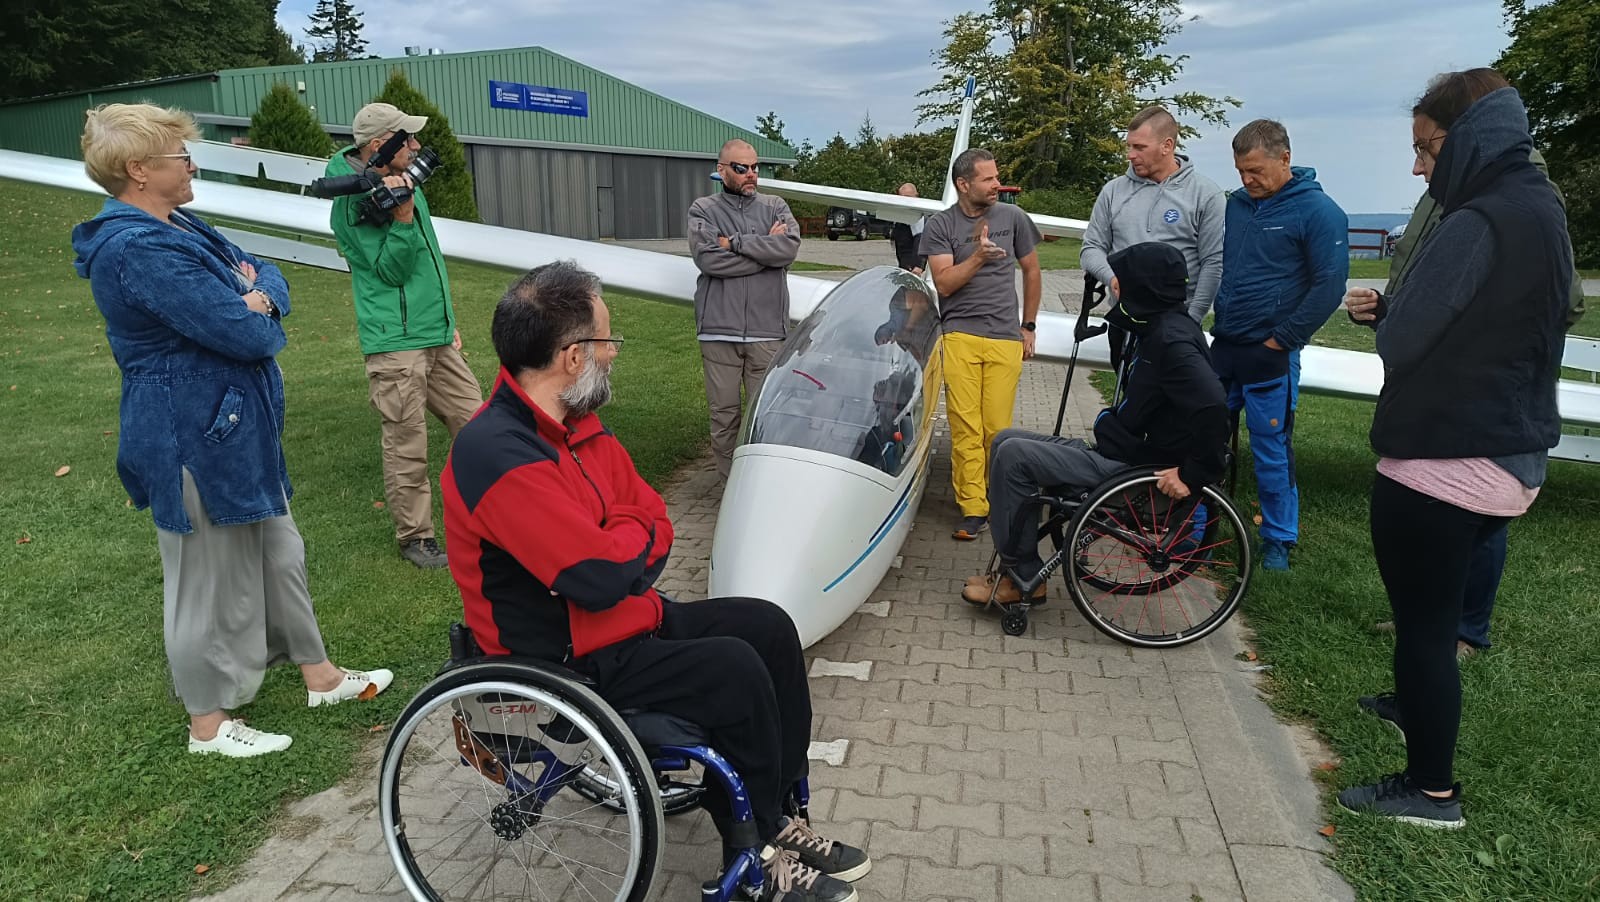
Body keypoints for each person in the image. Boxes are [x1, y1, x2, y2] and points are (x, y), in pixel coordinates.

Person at [440, 261, 870, 901]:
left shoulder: (575, 423)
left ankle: (778, 814)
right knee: (732, 670)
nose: (614, 353)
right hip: (563, 655)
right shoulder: (494, 452)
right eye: (607, 341)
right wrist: (625, 541)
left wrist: (621, 541)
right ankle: (755, 858)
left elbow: (651, 517)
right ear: (573, 357)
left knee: (769, 627)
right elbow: (597, 575)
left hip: (624, 618)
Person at [72, 103, 392, 758]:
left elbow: (264, 274)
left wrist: (257, 294)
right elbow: (244, 334)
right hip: (187, 434)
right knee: (202, 581)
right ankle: (208, 724)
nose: (192, 165)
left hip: (234, 427)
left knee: (280, 553)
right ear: (138, 170)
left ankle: (320, 676)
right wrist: (246, 304)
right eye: (180, 157)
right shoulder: (136, 248)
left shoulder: (180, 224)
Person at [1338, 70, 1571, 828]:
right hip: (1513, 447)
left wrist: (1390, 313)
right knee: (1431, 625)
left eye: (1427, 149)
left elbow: (1404, 338)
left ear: (1469, 138)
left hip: (1448, 454)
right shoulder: (1541, 204)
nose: (1418, 168)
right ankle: (1414, 704)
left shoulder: (1476, 220)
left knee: (1426, 630)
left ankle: (1431, 792)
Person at [1370, 138, 1588, 658]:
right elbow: (1427, 284)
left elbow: (1565, 301)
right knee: (1437, 535)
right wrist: (1392, 309)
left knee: (1477, 512)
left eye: (1425, 150)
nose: (1417, 168)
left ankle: (1466, 628)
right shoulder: (1453, 195)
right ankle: (1426, 622)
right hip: (1433, 391)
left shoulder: (1518, 200)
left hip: (1488, 409)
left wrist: (1476, 339)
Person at [962, 243, 1228, 603]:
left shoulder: (1173, 342)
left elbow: (1214, 405)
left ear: (1145, 286)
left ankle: (1022, 578)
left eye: (1123, 280)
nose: (1116, 286)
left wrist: (1192, 475)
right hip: (1124, 453)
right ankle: (1015, 567)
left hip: (1138, 472)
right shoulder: (1161, 328)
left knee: (1014, 458)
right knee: (1004, 440)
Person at [326, 102, 483, 569]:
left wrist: (447, 322)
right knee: (407, 444)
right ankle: (416, 538)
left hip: (435, 334)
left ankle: (490, 516)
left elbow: (428, 264)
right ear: (380, 145)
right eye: (407, 138)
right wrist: (401, 219)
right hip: (396, 344)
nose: (416, 145)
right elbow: (392, 272)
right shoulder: (350, 206)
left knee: (478, 425)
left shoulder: (400, 181)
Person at [1210, 120, 1349, 571]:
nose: (1246, 180)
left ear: (1285, 158)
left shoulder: (1319, 211)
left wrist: (1281, 341)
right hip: (1226, 344)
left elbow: (1330, 286)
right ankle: (1195, 526)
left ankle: (1278, 541)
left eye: (1255, 170)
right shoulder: (1237, 205)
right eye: (1240, 171)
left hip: (1271, 352)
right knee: (1203, 436)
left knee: (1270, 449)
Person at [921, 148, 1044, 541]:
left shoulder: (1013, 217)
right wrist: (977, 257)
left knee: (997, 429)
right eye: (988, 179)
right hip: (959, 334)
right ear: (963, 184)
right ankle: (973, 508)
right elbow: (943, 284)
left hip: (1005, 336)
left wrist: (1029, 326)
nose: (997, 185)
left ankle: (999, 496)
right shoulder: (940, 225)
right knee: (965, 427)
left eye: (996, 177)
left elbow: (1032, 270)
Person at [688, 139, 802, 480]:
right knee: (724, 416)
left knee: (764, 416)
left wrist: (735, 243)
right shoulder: (703, 209)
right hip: (718, 331)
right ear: (722, 170)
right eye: (741, 168)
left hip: (767, 331)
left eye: (755, 167)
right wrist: (765, 255)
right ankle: (730, 485)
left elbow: (788, 249)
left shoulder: (775, 205)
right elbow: (709, 261)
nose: (751, 174)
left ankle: (760, 483)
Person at [1081, 105, 1226, 325]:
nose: (1130, 155)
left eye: (1140, 147)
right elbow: (1091, 248)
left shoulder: (1206, 194)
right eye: (1129, 146)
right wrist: (1111, 278)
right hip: (1124, 319)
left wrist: (1191, 320)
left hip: (1177, 322)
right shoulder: (1113, 191)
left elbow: (1213, 263)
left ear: (1167, 146)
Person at [888, 182, 926, 275]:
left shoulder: (916, 215)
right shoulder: (901, 215)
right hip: (903, 264)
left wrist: (918, 266)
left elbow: (921, 240)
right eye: (902, 197)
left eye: (908, 197)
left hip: (913, 268)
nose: (905, 200)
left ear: (916, 196)